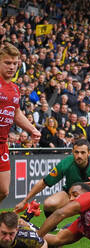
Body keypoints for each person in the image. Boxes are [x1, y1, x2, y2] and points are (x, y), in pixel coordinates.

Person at [15, 139, 90, 219]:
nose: (79, 156)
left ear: (89, 153)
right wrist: (25, 201)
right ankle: (52, 225)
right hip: (70, 194)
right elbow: (44, 182)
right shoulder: (66, 163)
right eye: (76, 152)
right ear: (72, 152)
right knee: (49, 204)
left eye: (83, 152)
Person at [0, 43, 41, 205]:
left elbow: (15, 113)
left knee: (4, 190)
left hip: (2, 144)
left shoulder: (15, 89)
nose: (12, 67)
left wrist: (32, 129)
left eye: (15, 63)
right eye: (7, 63)